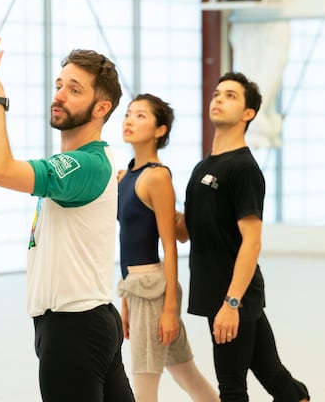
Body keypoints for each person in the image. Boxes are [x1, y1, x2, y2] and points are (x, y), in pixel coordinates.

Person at [0, 35, 134, 402]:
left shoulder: (83, 164)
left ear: (101, 108)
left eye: (74, 89)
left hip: (74, 327)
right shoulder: (92, 161)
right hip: (93, 319)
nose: (59, 95)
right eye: (58, 85)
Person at [175, 72, 310, 402]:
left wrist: (231, 303)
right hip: (215, 294)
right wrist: (144, 191)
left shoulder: (244, 169)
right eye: (217, 94)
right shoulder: (202, 168)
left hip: (233, 298)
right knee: (274, 375)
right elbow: (183, 232)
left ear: (249, 114)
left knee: (232, 387)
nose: (218, 99)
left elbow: (252, 241)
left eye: (231, 96)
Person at [116, 93, 219, 402]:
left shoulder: (157, 177)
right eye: (128, 114)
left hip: (152, 290)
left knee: (144, 387)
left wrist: (170, 308)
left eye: (141, 116)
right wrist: (124, 300)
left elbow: (170, 246)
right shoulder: (126, 175)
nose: (130, 120)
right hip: (136, 288)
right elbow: (126, 242)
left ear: (160, 131)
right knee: (187, 374)